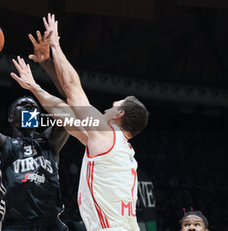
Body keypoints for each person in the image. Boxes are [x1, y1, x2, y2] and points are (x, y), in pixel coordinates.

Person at [10, 13, 149, 231]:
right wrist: (36, 85)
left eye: (114, 105)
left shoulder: (107, 136)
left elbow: (73, 90)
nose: (106, 108)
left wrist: (56, 45)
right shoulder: (115, 148)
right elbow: (67, 114)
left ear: (119, 115)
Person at [0, 32, 70, 231]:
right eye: (23, 104)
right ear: (11, 118)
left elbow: (72, 103)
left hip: (51, 225)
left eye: (34, 105)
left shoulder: (50, 142)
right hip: (14, 225)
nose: (30, 104)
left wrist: (46, 63)